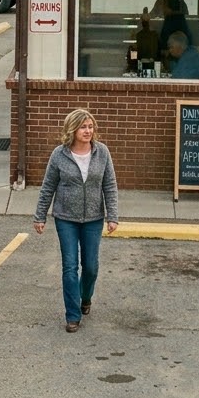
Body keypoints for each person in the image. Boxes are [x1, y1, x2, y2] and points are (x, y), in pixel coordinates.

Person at [33, 110, 119, 332]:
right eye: (83, 127)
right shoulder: (59, 155)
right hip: (66, 219)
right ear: (72, 129)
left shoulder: (102, 153)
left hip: (93, 218)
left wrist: (113, 216)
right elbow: (48, 187)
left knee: (90, 266)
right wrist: (40, 215)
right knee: (70, 267)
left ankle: (86, 296)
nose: (88, 131)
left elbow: (109, 185)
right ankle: (72, 315)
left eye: (90, 126)